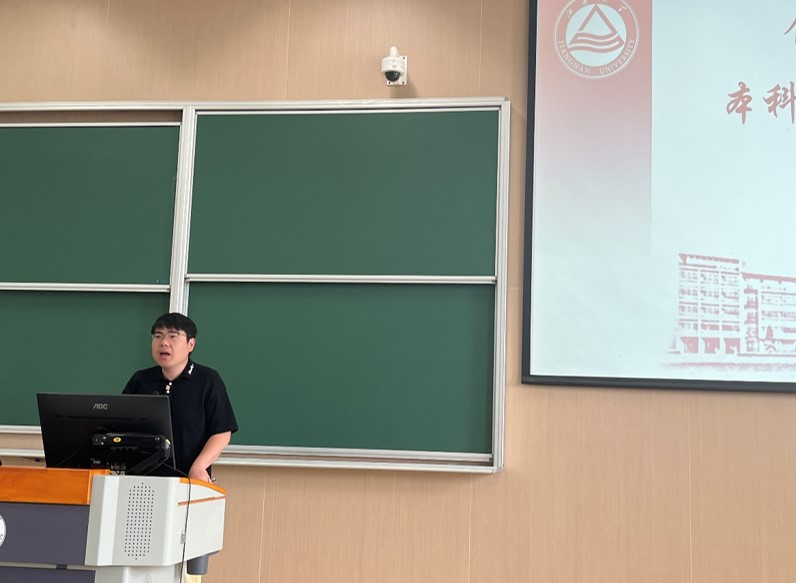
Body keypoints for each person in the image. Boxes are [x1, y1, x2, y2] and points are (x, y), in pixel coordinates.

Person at [123, 312, 238, 482]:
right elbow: (121, 426)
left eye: (173, 336)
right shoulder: (140, 380)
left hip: (189, 480)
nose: (164, 342)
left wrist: (199, 467)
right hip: (140, 480)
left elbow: (222, 432)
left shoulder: (207, 380)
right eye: (158, 336)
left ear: (191, 344)